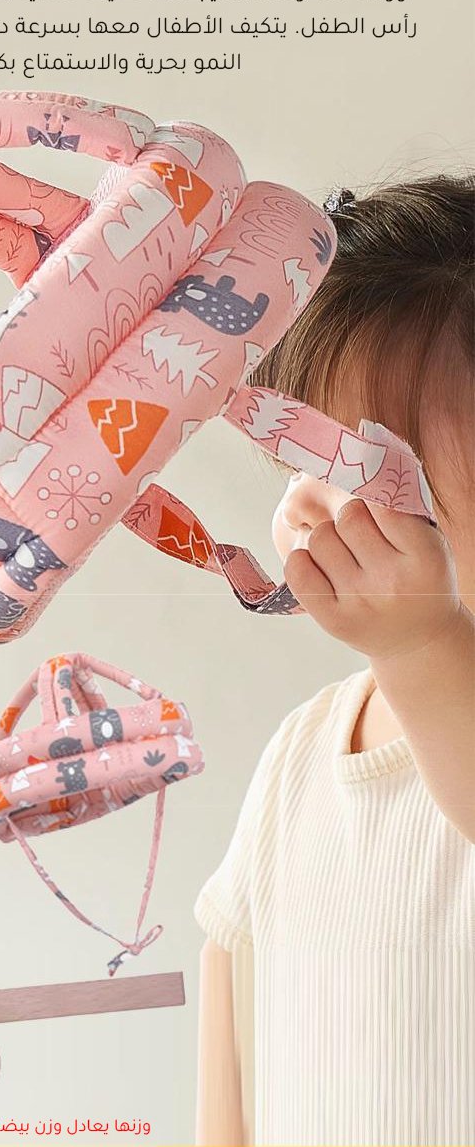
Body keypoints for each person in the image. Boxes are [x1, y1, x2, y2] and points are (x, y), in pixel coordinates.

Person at [195, 176, 475, 1147]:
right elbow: (233, 1008)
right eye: (304, 457)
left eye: (381, 471)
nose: (316, 505)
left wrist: (425, 643)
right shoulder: (300, 752)